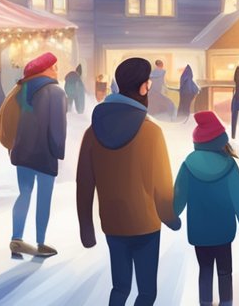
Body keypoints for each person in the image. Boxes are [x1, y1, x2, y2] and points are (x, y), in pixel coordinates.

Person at [77, 57, 180, 306]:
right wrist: (170, 218)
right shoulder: (152, 133)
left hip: (112, 222)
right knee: (146, 292)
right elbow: (162, 184)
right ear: (144, 87)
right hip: (145, 224)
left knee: (120, 287)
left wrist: (86, 228)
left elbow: (84, 183)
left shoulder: (92, 133)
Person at [173, 111, 239, 305]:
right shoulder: (229, 166)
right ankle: (226, 302)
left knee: (205, 271)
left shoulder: (188, 165)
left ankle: (205, 303)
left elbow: (178, 197)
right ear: (220, 140)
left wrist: (172, 217)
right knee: (225, 271)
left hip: (199, 232)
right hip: (223, 231)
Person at [9, 52, 68, 259]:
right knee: (44, 198)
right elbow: (57, 128)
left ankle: (16, 238)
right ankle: (41, 242)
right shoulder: (55, 92)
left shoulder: (22, 91)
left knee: (24, 193)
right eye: (53, 67)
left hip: (22, 151)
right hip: (44, 153)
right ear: (45, 70)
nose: (56, 71)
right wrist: (59, 152)